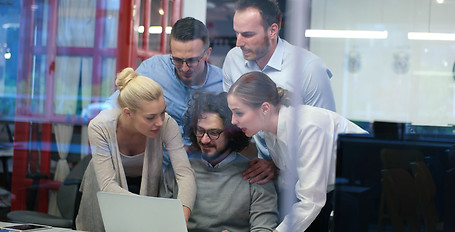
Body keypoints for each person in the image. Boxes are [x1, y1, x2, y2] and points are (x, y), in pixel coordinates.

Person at [227, 72, 367, 232]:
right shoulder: (270, 130)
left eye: (238, 113)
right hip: (335, 190)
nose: (233, 121)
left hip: (372, 185)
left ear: (265, 108)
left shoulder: (307, 127)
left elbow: (311, 200)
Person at [222, 0, 337, 184]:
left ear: (272, 30)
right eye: (237, 33)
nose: (238, 42)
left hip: (306, 182)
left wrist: (278, 166)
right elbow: (235, 120)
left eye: (248, 34)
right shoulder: (233, 59)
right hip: (257, 176)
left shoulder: (309, 69)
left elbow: (324, 139)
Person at [76, 68, 196, 232]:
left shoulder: (166, 124)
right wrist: (154, 211)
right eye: (150, 117)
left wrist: (183, 212)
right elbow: (108, 186)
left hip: (146, 187)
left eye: (163, 112)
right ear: (128, 113)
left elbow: (184, 173)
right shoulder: (99, 126)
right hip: (104, 189)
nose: (160, 122)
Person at [106, 17, 223, 164]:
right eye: (177, 60)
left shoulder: (223, 84)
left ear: (207, 54)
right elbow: (116, 104)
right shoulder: (153, 69)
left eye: (192, 60)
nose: (184, 68)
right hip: (154, 166)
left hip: (203, 168)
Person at [160, 91, 278, 232]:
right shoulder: (179, 170)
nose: (204, 140)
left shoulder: (256, 174)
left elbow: (264, 228)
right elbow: (161, 221)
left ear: (233, 133)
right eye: (200, 131)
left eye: (214, 132)